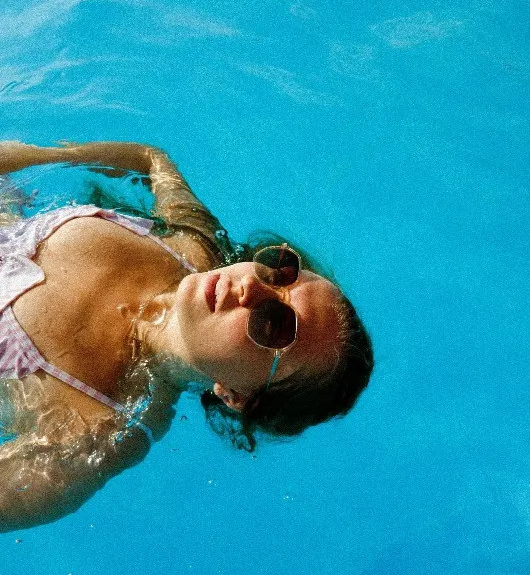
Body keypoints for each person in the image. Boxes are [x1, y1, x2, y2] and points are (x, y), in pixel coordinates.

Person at [0, 141, 373, 532]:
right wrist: (41, 158)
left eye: (275, 323)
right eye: (281, 273)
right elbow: (151, 160)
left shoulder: (96, 432)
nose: (251, 287)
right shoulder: (195, 246)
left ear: (236, 395)